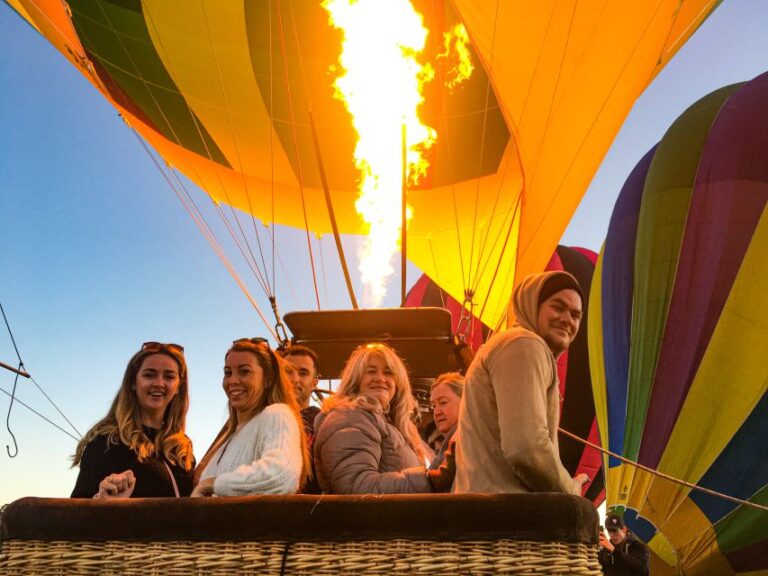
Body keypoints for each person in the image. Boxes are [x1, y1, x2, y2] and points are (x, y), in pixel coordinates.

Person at [454, 271, 590, 494]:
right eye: (557, 307)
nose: (567, 319)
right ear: (532, 305)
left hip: (487, 510)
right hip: (508, 516)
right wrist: (570, 490)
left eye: (575, 315)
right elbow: (527, 447)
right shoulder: (524, 344)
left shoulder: (511, 345)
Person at [71, 342, 195, 499]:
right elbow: (78, 511)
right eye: (149, 375)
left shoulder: (181, 448)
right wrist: (101, 502)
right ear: (132, 382)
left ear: (178, 387)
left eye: (169, 376)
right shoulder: (107, 442)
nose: (158, 383)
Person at [314, 343, 440, 494]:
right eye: (371, 372)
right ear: (356, 380)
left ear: (398, 383)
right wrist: (428, 480)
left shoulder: (393, 424)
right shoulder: (350, 416)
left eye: (388, 373)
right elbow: (356, 487)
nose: (380, 378)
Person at [192, 338, 309, 496]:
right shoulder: (229, 436)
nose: (232, 380)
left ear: (268, 379)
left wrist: (212, 484)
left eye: (244, 371)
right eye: (228, 373)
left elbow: (281, 476)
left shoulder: (277, 414)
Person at [282, 344, 322, 493]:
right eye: (288, 372)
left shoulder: (323, 421)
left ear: (314, 382)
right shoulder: (263, 418)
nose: (295, 379)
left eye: (303, 373)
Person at [428, 372, 464, 470]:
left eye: (443, 402)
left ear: (465, 401)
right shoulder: (452, 442)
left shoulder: (466, 441)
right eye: (433, 406)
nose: (436, 412)